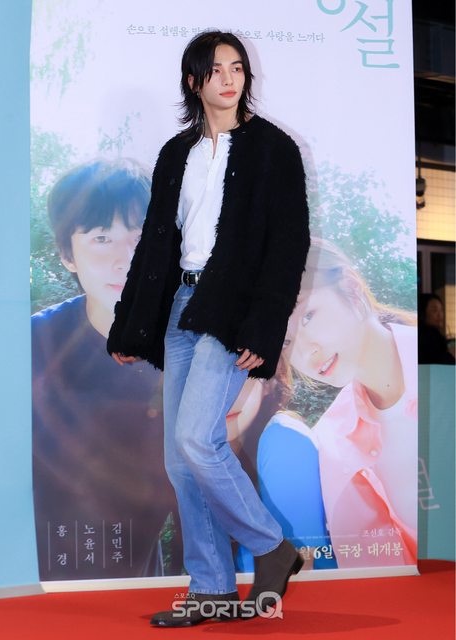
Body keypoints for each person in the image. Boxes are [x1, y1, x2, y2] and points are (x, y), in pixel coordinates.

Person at [107, 30, 310, 626]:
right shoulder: (177, 153)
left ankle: (272, 548)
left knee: (199, 439)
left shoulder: (273, 148)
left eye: (238, 68)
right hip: (180, 307)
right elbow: (154, 245)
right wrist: (128, 326)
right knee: (180, 459)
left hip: (232, 311)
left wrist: (264, 327)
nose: (230, 78)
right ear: (194, 81)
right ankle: (211, 589)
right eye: (217, 69)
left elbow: (287, 246)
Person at [32, 159, 182, 580]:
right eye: (101, 238)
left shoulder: (187, 354)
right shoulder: (28, 347)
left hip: (136, 594)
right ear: (67, 255)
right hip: (29, 594)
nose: (126, 259)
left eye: (141, 238)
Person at [257, 238, 418, 569]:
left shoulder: (441, 375)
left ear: (352, 289)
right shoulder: (332, 441)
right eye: (286, 342)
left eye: (308, 317)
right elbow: (376, 573)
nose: (307, 351)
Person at [418, 293, 455, 364]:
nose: (440, 315)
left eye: (441, 310)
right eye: (434, 310)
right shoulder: (429, 336)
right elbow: (440, 360)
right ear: (422, 313)